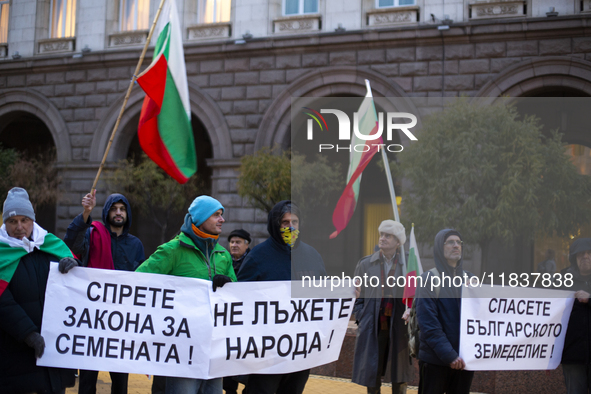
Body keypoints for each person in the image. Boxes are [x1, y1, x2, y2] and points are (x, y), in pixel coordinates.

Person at [136, 195, 236, 394]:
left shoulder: (223, 255)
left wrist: (229, 285)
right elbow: (138, 283)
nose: (222, 220)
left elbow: (236, 296)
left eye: (221, 215)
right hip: (180, 351)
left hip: (213, 350)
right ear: (200, 218)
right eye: (216, 215)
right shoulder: (172, 250)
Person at [237, 200, 327, 394]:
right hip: (266, 351)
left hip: (300, 350)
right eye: (285, 222)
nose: (291, 226)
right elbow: (240, 299)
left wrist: (346, 293)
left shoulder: (312, 256)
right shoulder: (258, 257)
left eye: (295, 221)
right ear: (275, 224)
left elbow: (323, 296)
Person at [63, 190, 145, 394]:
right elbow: (71, 244)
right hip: (93, 319)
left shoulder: (136, 245)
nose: (118, 213)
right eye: (114, 209)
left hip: (122, 323)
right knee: (88, 381)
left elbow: (143, 280)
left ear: (128, 214)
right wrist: (85, 212)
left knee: (120, 383)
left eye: (122, 209)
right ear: (107, 212)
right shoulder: (92, 234)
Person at [0, 187, 76, 393]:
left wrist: (73, 266)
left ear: (33, 220)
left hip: (54, 359)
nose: (19, 227)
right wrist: (28, 334)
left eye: (24, 220)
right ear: (4, 223)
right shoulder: (1, 253)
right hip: (16, 357)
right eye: (12, 221)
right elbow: (3, 303)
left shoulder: (50, 247)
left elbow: (76, 289)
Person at [352, 220, 411, 394]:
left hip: (400, 326)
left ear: (398, 241)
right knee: (372, 374)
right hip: (374, 326)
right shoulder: (365, 264)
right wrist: (361, 316)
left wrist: (411, 311)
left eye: (388, 236)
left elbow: (417, 295)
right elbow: (356, 295)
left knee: (399, 377)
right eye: (381, 234)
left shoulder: (408, 264)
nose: (383, 238)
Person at [415, 229, 474, 394]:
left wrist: (476, 292)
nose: (456, 245)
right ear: (440, 247)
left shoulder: (470, 280)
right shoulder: (428, 279)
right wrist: (450, 356)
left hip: (463, 362)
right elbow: (428, 323)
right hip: (435, 362)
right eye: (450, 242)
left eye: (459, 242)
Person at [561, 238, 591, 393]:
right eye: (581, 254)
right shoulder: (561, 280)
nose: (585, 256)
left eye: (589, 253)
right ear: (574, 257)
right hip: (572, 355)